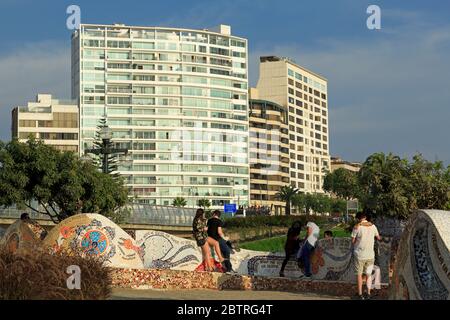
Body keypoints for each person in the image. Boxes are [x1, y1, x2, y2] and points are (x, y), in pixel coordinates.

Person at [351, 211, 381, 300]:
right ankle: (368, 294)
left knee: (359, 275)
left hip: (359, 255)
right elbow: (378, 238)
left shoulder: (357, 227)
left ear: (358, 218)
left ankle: (360, 295)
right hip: (370, 255)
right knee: (368, 275)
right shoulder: (373, 226)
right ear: (365, 217)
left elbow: (352, 241)